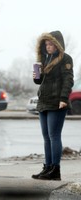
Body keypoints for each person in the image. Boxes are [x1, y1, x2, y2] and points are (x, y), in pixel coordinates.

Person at [32, 31, 74, 180]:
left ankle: (55, 170)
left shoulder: (65, 59)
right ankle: (48, 167)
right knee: (46, 137)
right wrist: (36, 76)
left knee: (54, 136)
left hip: (57, 102)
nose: (48, 47)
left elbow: (68, 80)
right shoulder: (44, 59)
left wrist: (63, 98)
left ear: (57, 45)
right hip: (43, 102)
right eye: (46, 45)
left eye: (51, 44)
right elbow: (39, 81)